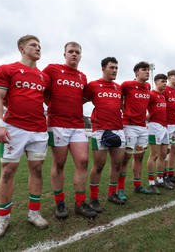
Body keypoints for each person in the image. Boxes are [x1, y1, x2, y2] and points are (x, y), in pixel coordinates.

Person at [0, 35, 50, 240]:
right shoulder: (7, 69)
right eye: (33, 45)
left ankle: (34, 213)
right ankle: (3, 217)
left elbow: (47, 101)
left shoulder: (44, 77)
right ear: (22, 48)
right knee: (8, 171)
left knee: (37, 170)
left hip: (39, 130)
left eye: (40, 45)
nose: (38, 48)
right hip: (14, 128)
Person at [43, 41, 97, 219]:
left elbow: (80, 98)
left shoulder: (82, 77)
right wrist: (54, 105)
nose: (74, 54)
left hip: (77, 126)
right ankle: (59, 203)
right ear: (64, 54)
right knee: (59, 164)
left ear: (81, 56)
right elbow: (44, 92)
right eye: (71, 51)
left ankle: (80, 203)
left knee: (82, 161)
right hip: (57, 125)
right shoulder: (52, 69)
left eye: (77, 52)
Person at [83, 57, 126, 213]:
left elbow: (123, 107)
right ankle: (94, 199)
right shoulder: (93, 85)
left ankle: (112, 194)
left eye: (116, 68)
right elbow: (79, 101)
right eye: (111, 67)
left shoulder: (119, 88)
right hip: (99, 131)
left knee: (117, 164)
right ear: (103, 68)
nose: (114, 70)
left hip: (119, 130)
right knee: (99, 165)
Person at [117, 61, 152, 199]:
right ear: (137, 72)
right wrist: (125, 111)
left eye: (148, 70)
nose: (147, 72)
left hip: (143, 127)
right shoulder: (127, 85)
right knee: (125, 158)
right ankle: (120, 189)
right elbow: (118, 97)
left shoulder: (148, 86)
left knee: (139, 156)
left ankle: (138, 186)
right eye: (144, 70)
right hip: (129, 126)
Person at [146, 73, 173, 195]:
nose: (165, 84)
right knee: (154, 155)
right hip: (154, 127)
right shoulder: (151, 94)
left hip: (164, 127)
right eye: (163, 81)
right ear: (156, 82)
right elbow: (143, 107)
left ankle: (160, 179)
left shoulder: (163, 96)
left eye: (166, 82)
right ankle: (151, 183)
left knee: (163, 154)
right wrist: (147, 117)